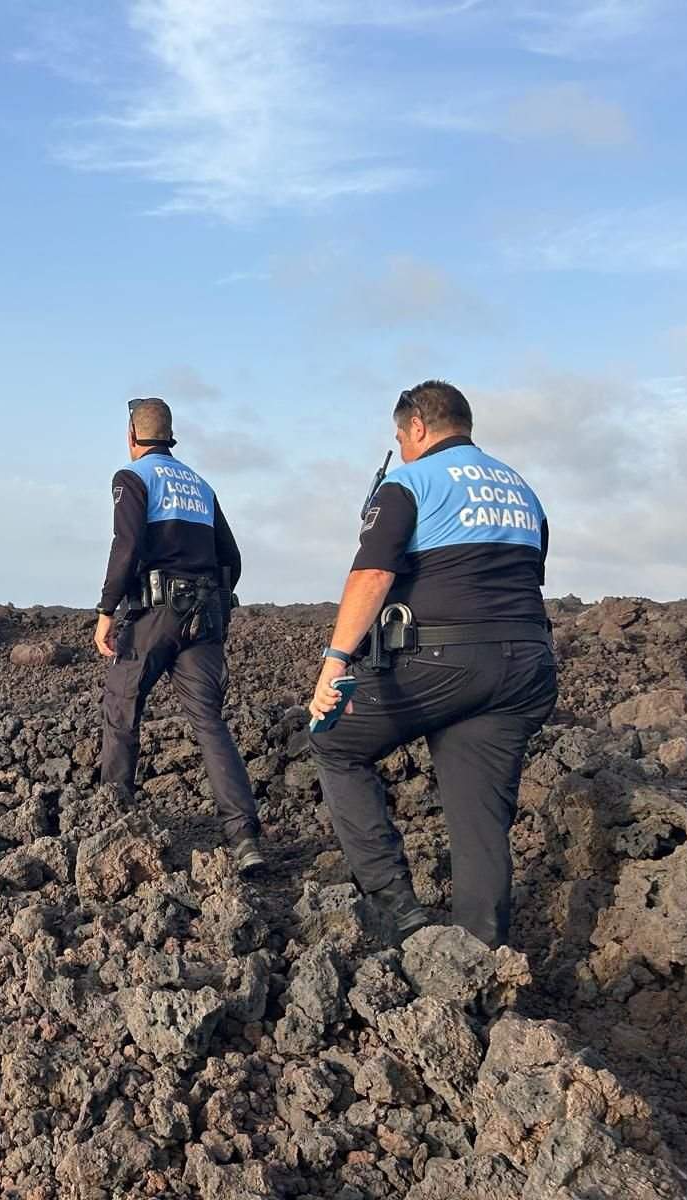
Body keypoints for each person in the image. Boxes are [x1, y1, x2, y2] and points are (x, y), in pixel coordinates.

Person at [308, 380, 557, 948]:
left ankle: (400, 912)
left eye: (401, 436)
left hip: (442, 660)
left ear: (417, 427)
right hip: (526, 669)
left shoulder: (408, 481)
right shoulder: (522, 489)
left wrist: (335, 660)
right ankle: (481, 955)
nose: (401, 445)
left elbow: (372, 576)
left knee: (334, 743)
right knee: (480, 821)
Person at [96, 398, 263, 874]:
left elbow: (126, 545)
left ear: (132, 435)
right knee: (209, 722)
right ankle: (245, 837)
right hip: (205, 617)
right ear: (170, 437)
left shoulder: (132, 478)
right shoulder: (200, 485)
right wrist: (212, 600)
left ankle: (115, 820)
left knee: (121, 705)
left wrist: (108, 609)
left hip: (156, 613)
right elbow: (231, 555)